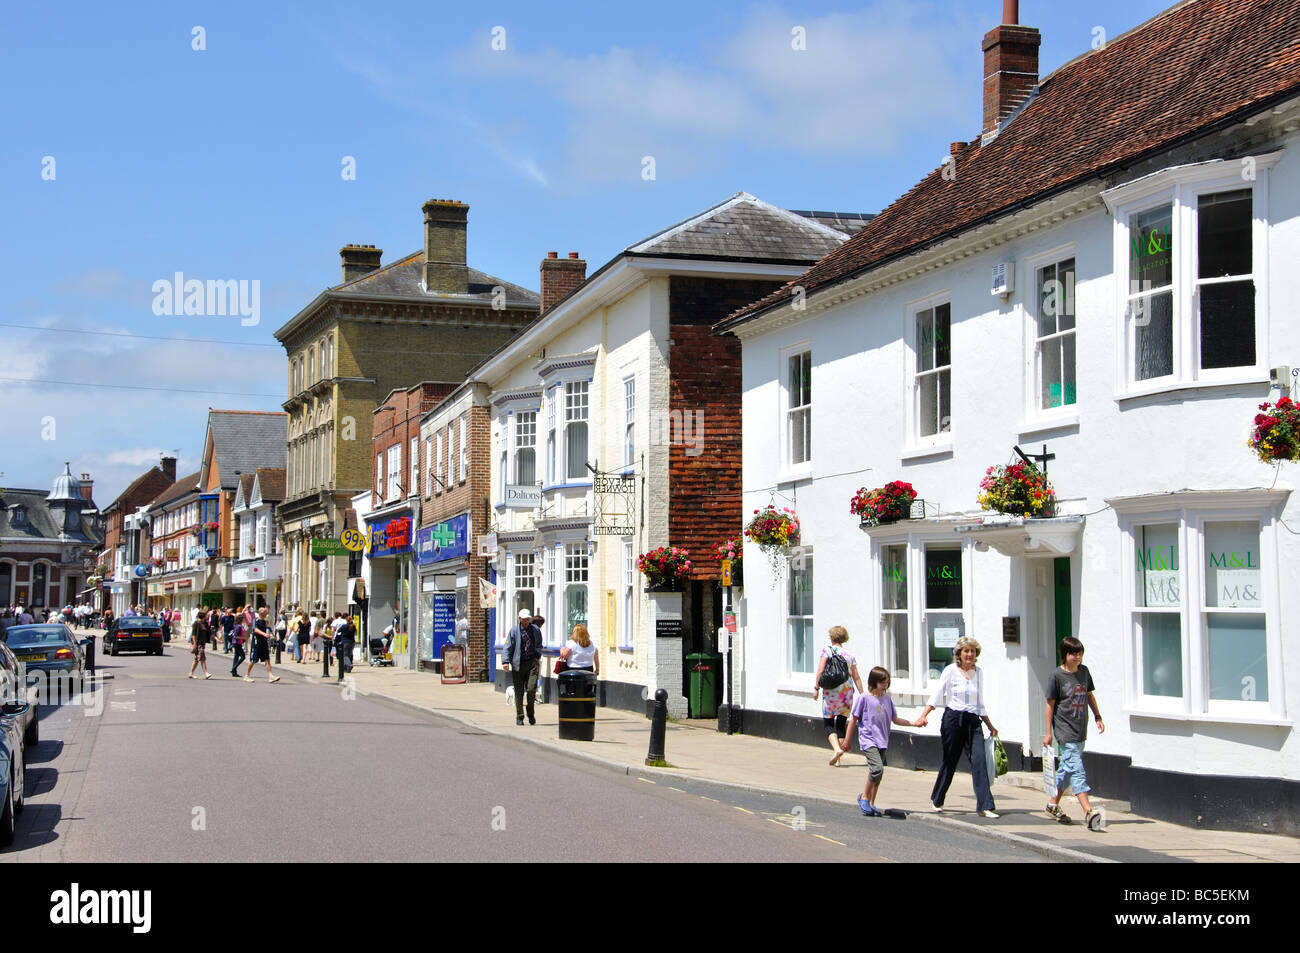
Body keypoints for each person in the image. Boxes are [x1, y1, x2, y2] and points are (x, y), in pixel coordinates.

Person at [916, 636, 1000, 818]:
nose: (969, 654)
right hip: (953, 719)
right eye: (966, 651)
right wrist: (924, 715)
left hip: (972, 721)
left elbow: (979, 702)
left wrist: (989, 725)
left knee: (979, 761)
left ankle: (985, 806)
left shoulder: (979, 673)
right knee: (950, 760)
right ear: (959, 654)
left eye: (972, 651)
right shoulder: (950, 671)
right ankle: (937, 798)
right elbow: (937, 694)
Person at [1044, 636, 1105, 827]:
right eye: (1073, 654)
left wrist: (1097, 716)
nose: (1077, 657)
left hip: (1080, 729)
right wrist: (1048, 733)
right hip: (1065, 730)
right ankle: (1088, 811)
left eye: (1079, 654)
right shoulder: (1057, 676)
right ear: (1064, 655)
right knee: (1077, 771)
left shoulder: (1084, 672)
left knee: (1066, 769)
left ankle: (1052, 804)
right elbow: (1049, 705)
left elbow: (1089, 695)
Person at [841, 667, 914, 816]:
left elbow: (895, 719)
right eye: (882, 682)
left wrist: (913, 723)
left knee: (878, 776)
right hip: (868, 739)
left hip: (883, 740)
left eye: (887, 682)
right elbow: (853, 719)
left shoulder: (887, 699)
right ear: (874, 682)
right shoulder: (864, 698)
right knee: (877, 769)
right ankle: (864, 797)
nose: (884, 685)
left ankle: (872, 803)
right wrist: (847, 739)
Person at [813, 625, 862, 767]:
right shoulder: (849, 655)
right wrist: (863, 694)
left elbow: (820, 671)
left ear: (831, 637)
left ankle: (836, 749)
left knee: (828, 723)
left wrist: (816, 688)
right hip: (847, 694)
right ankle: (838, 759)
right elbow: (856, 677)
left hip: (831, 693)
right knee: (841, 723)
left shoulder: (826, 651)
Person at [502, 609, 543, 726]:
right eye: (524, 619)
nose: (526, 621)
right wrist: (505, 661)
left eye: (528, 619)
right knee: (519, 692)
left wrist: (537, 656)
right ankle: (519, 716)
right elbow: (507, 646)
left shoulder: (535, 630)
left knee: (531, 689)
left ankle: (531, 713)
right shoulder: (514, 631)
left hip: (532, 663)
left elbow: (539, 644)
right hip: (518, 664)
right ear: (519, 619)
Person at [244, 606, 280, 683]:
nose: (266, 614)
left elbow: (268, 628)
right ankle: (247, 675)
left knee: (267, 659)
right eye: (265, 613)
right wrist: (264, 634)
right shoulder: (255, 620)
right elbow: (255, 629)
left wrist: (273, 635)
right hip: (257, 643)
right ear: (261, 613)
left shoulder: (264, 621)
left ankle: (271, 676)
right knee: (253, 660)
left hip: (264, 643)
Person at [187, 609, 213, 679]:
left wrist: (216, 639)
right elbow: (194, 635)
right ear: (203, 616)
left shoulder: (205, 623)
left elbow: (209, 632)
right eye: (206, 615)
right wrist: (195, 644)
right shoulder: (196, 623)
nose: (208, 616)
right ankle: (206, 673)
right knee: (202, 658)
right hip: (198, 644)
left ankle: (191, 673)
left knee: (198, 659)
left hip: (202, 643)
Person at [334, 613, 356, 682]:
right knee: (349, 654)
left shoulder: (344, 626)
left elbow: (338, 633)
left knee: (345, 655)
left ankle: (349, 665)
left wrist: (336, 640)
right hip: (352, 642)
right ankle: (346, 668)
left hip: (345, 642)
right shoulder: (353, 627)